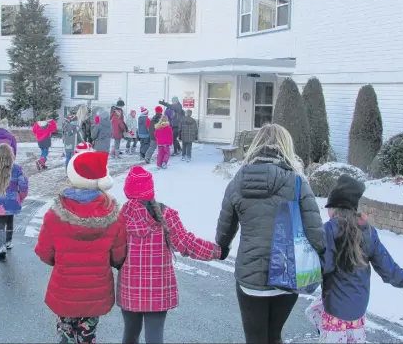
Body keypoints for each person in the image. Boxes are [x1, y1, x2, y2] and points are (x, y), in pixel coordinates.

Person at [215, 123, 325, 344]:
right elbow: (317, 234)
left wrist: (222, 249)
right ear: (286, 147)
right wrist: (326, 260)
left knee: (255, 338)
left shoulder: (238, 181)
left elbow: (225, 229)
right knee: (274, 336)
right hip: (287, 274)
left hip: (250, 276)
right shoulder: (297, 182)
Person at [305, 174, 403, 344]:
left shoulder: (329, 229)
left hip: (335, 310)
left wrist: (303, 279)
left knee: (315, 313)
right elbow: (388, 268)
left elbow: (323, 266)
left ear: (335, 208)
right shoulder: (368, 231)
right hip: (358, 310)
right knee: (317, 311)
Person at [117, 166, 228, 344]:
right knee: (155, 336)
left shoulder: (120, 217)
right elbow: (187, 244)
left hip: (129, 288)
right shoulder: (166, 214)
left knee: (130, 334)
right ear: (150, 190)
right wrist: (217, 251)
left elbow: (112, 251)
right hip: (159, 291)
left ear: (128, 190)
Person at [35, 149, 127, 344]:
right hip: (95, 291)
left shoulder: (55, 214)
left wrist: (61, 260)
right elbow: (118, 255)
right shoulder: (113, 214)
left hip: (64, 288)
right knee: (88, 336)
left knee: (65, 336)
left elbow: (44, 252)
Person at [0, 143, 29, 260]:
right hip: (13, 199)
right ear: (11, 155)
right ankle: (9, 241)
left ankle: (1, 246)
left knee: (0, 223)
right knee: (10, 219)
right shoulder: (17, 168)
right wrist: (21, 196)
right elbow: (23, 184)